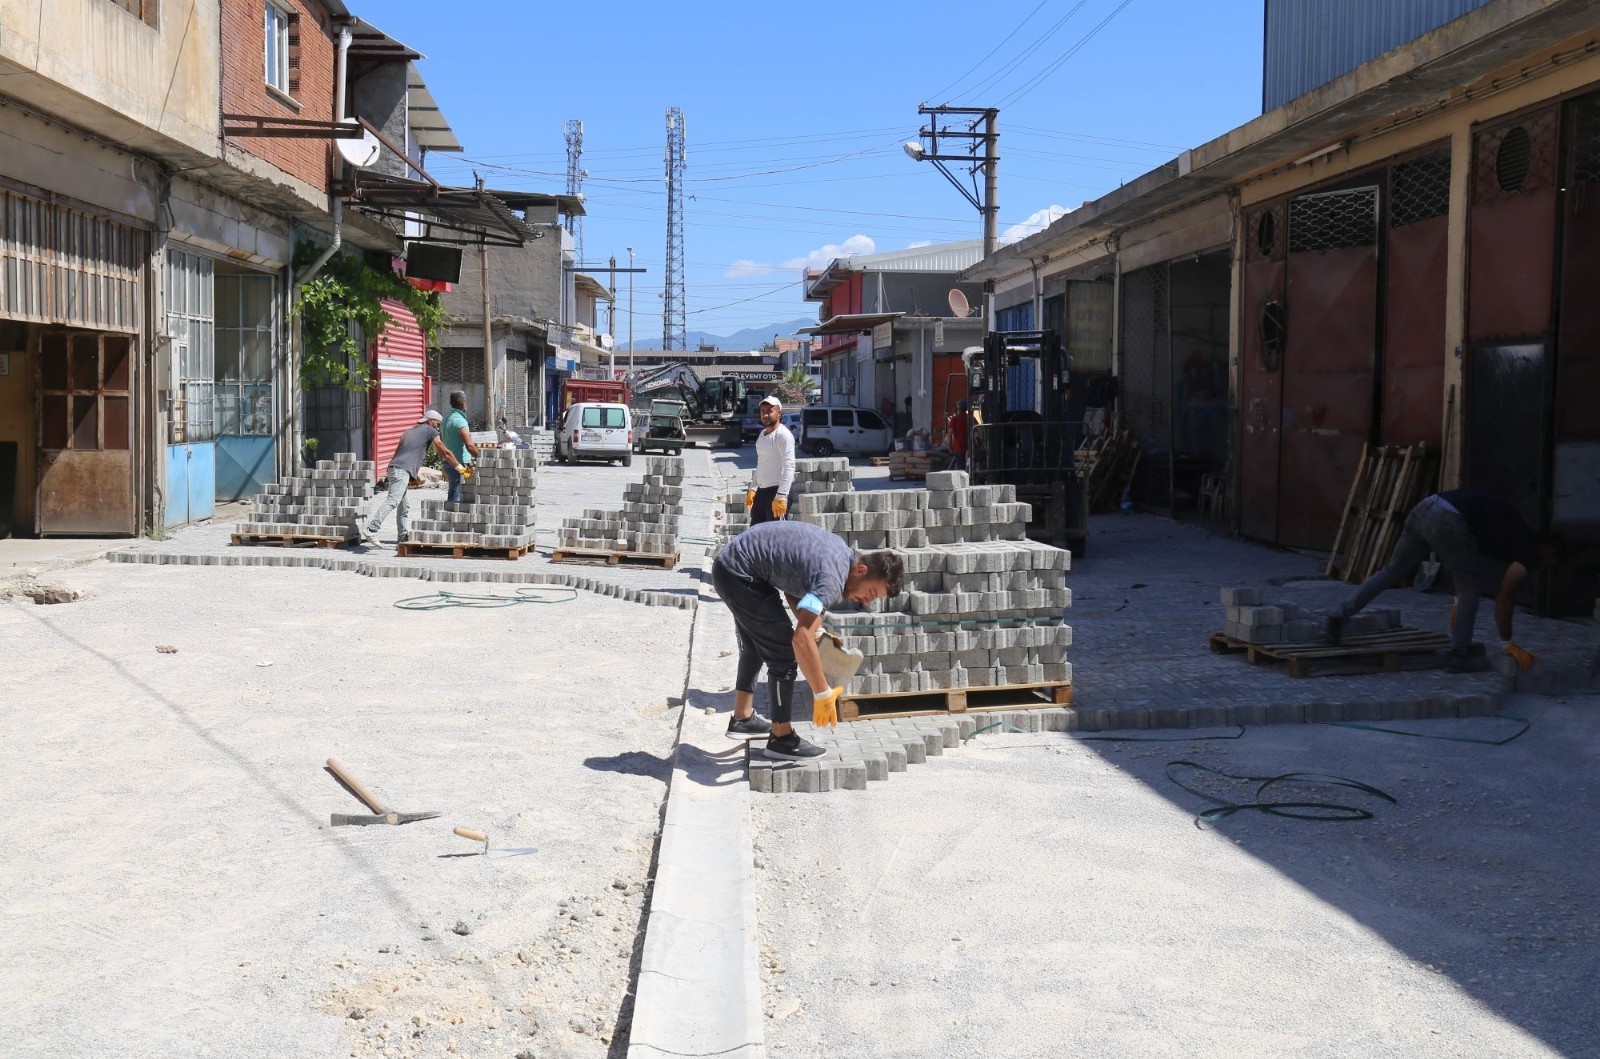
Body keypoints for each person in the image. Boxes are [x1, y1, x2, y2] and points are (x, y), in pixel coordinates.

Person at [712, 520, 904, 759]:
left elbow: (795, 586)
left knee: (757, 645)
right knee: (782, 652)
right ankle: (781, 737)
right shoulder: (832, 580)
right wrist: (822, 692)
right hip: (740, 574)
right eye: (872, 592)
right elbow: (800, 640)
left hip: (733, 566)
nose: (867, 601)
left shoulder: (841, 554)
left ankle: (742, 719)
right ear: (862, 571)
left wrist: (816, 631)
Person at [1324, 488, 1565, 672]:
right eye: (1549, 566)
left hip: (1426, 507)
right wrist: (1508, 643)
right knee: (1473, 587)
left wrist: (1458, 604)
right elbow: (1505, 598)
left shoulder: (1509, 532)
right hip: (1449, 518)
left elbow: (1463, 561)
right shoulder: (1528, 550)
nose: (1541, 571)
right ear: (1548, 550)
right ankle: (1459, 654)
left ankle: (1336, 618)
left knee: (1391, 571)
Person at [360, 410, 466, 546]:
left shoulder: (409, 431)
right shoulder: (430, 431)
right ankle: (372, 528)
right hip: (401, 471)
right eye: (437, 424)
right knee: (393, 500)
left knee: (404, 506)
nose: (438, 428)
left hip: (393, 469)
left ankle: (403, 536)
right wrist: (460, 468)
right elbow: (444, 451)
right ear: (429, 420)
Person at [745, 394, 795, 526]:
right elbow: (761, 464)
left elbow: (789, 466)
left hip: (777, 492)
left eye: (769, 411)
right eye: (763, 412)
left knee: (776, 536)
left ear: (779, 413)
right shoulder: (762, 435)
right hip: (762, 492)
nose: (765, 415)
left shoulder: (783, 435)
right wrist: (753, 488)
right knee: (756, 532)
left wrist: (782, 495)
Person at [441, 391, 480, 503]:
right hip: (459, 464)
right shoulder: (459, 421)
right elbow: (469, 445)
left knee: (454, 489)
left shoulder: (447, 418)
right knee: (456, 494)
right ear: (464, 402)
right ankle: (452, 517)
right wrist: (483, 458)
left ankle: (451, 514)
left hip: (448, 462)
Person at [945, 399, 970, 471]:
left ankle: (963, 481)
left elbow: (950, 433)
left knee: (961, 468)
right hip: (969, 447)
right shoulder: (970, 418)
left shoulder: (955, 419)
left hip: (959, 447)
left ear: (958, 408)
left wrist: (949, 445)